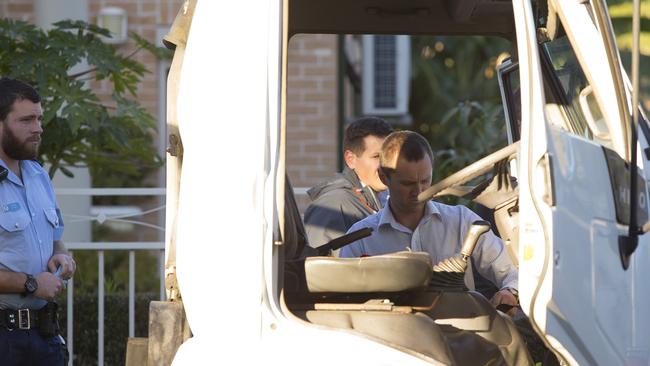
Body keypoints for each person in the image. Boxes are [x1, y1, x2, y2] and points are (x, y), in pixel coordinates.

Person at [339, 130, 518, 309]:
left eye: (425, 180)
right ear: (384, 177)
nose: (419, 191)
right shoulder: (360, 239)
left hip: (460, 334)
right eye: (408, 183)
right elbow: (344, 301)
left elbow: (512, 271)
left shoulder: (462, 221)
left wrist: (510, 292)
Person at [0, 77, 76, 365]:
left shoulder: (37, 175)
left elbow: (55, 238)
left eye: (39, 119)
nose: (38, 129)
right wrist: (31, 284)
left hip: (44, 336)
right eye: (26, 120)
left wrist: (62, 257)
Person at [303, 116, 393, 250]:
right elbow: (319, 267)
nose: (386, 164)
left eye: (389, 156)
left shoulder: (385, 198)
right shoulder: (331, 206)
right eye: (376, 156)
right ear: (351, 159)